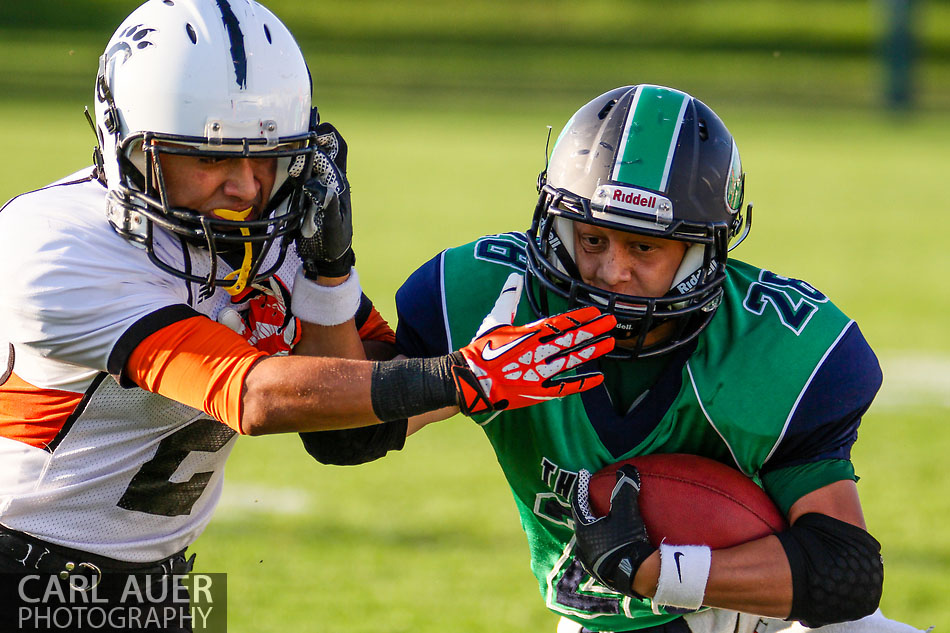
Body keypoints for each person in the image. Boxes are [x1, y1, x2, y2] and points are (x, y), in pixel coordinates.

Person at [0, 1, 616, 629]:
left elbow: (350, 430)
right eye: (209, 158)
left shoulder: (275, 238)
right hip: (18, 566)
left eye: (266, 156)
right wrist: (465, 378)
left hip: (155, 582)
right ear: (127, 146)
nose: (244, 187)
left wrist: (329, 271)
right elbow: (253, 397)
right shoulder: (54, 243)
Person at [321, 84, 927, 632]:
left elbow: (843, 572)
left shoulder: (770, 346)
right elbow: (343, 439)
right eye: (592, 240)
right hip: (610, 618)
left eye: (643, 246)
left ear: (699, 251)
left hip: (768, 611)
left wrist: (662, 571)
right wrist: (459, 372)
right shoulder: (495, 298)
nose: (612, 272)